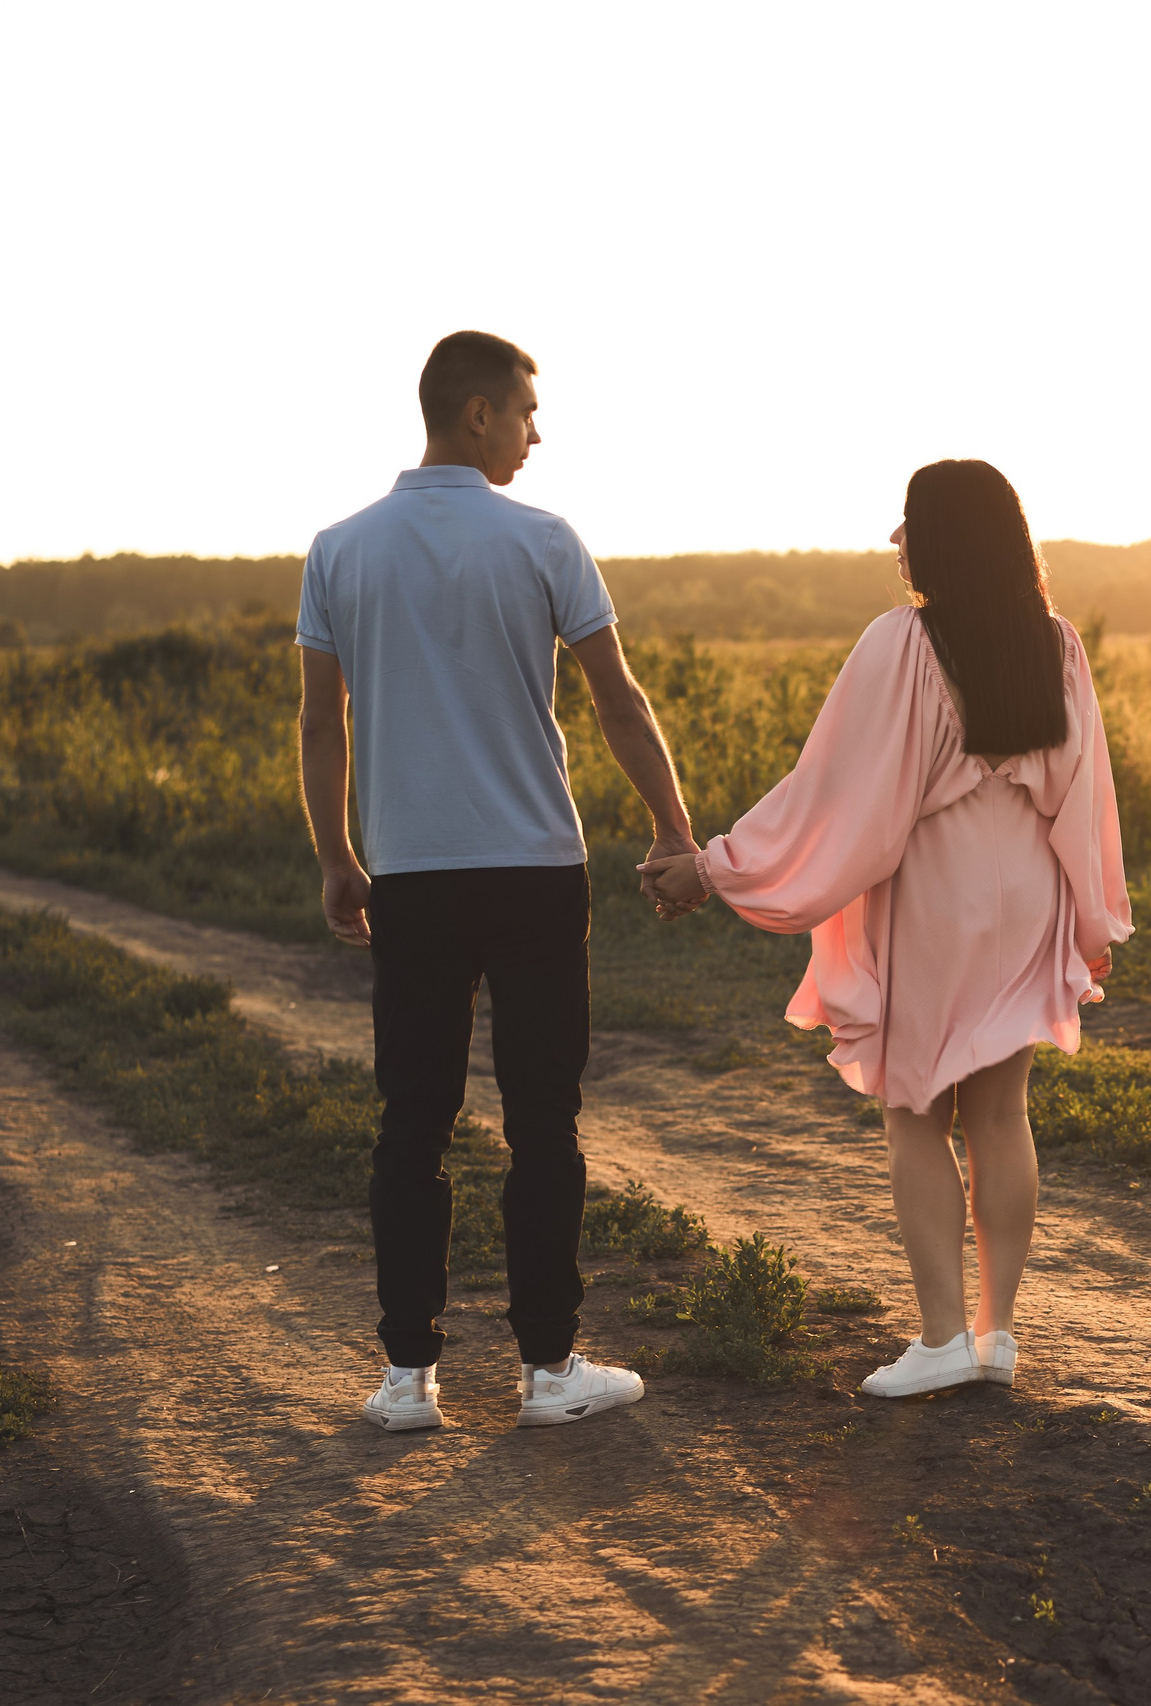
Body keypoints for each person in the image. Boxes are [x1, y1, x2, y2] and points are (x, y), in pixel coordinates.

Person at [639, 459, 1130, 1398]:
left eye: (906, 522)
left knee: (916, 1113)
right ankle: (995, 1335)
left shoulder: (904, 642)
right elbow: (1085, 791)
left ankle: (941, 1339)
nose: (893, 540)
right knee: (999, 1113)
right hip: (1026, 888)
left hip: (940, 895)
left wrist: (713, 866)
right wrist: (1090, 910)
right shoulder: (1055, 643)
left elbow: (837, 794)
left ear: (944, 535)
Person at [298, 330, 693, 1431]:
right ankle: (550, 1369)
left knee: (410, 1121)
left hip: (413, 877)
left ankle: (406, 1377)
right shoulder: (544, 539)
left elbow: (321, 723)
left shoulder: (339, 548)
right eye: (525, 409)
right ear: (475, 415)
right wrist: (674, 829)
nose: (534, 429)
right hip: (532, 872)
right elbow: (618, 699)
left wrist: (338, 855)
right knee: (543, 1120)